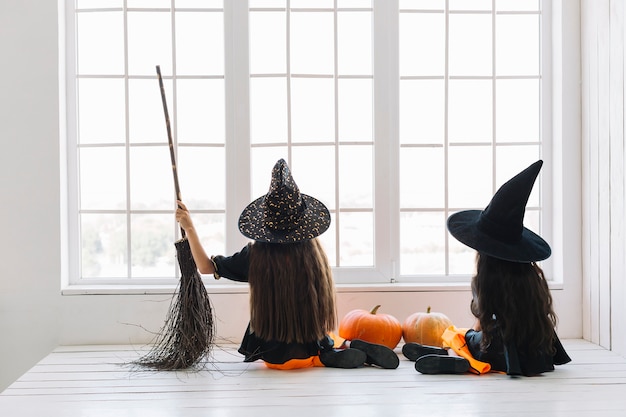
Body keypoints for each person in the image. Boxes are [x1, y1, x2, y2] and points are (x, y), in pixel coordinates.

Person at [176, 158, 398, 370]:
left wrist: (190, 228)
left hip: (276, 356)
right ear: (302, 221)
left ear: (265, 221)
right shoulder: (313, 253)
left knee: (282, 355)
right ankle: (335, 350)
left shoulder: (256, 256)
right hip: (310, 344)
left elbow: (206, 267)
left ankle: (330, 353)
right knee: (327, 339)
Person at [403, 160, 571, 376]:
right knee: (470, 337)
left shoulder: (486, 281)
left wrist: (468, 337)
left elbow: (481, 323)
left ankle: (455, 357)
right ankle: (452, 355)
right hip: (536, 351)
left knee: (462, 337)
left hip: (498, 353)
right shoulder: (529, 278)